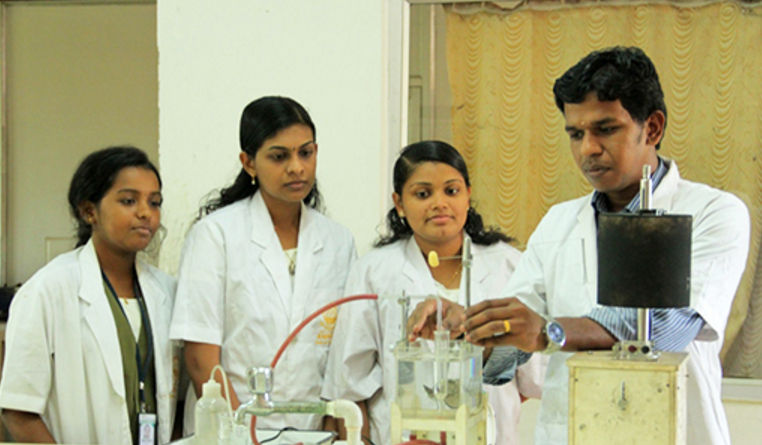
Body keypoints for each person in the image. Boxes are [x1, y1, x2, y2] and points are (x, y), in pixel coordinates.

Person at [410, 47, 750, 445]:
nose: (588, 148)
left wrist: (550, 332)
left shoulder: (714, 213)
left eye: (606, 129)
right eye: (576, 134)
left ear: (653, 128)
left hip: (671, 431)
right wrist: (472, 328)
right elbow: (514, 347)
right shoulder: (558, 222)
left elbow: (670, 325)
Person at [323, 140, 546, 445]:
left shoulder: (508, 265)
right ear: (399, 203)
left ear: (468, 195)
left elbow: (535, 376)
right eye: (423, 194)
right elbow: (349, 384)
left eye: (451, 191)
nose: (439, 203)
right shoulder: (374, 272)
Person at [169, 96, 356, 434]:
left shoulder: (338, 242)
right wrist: (240, 434)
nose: (296, 167)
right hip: (231, 431)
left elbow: (344, 354)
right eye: (279, 156)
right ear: (249, 163)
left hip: (311, 432)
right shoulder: (215, 235)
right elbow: (201, 360)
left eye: (305, 153)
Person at [0, 146, 178, 444]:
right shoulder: (48, 290)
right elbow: (18, 410)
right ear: (89, 211)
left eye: (154, 202)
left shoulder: (167, 291)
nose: (145, 213)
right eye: (128, 200)